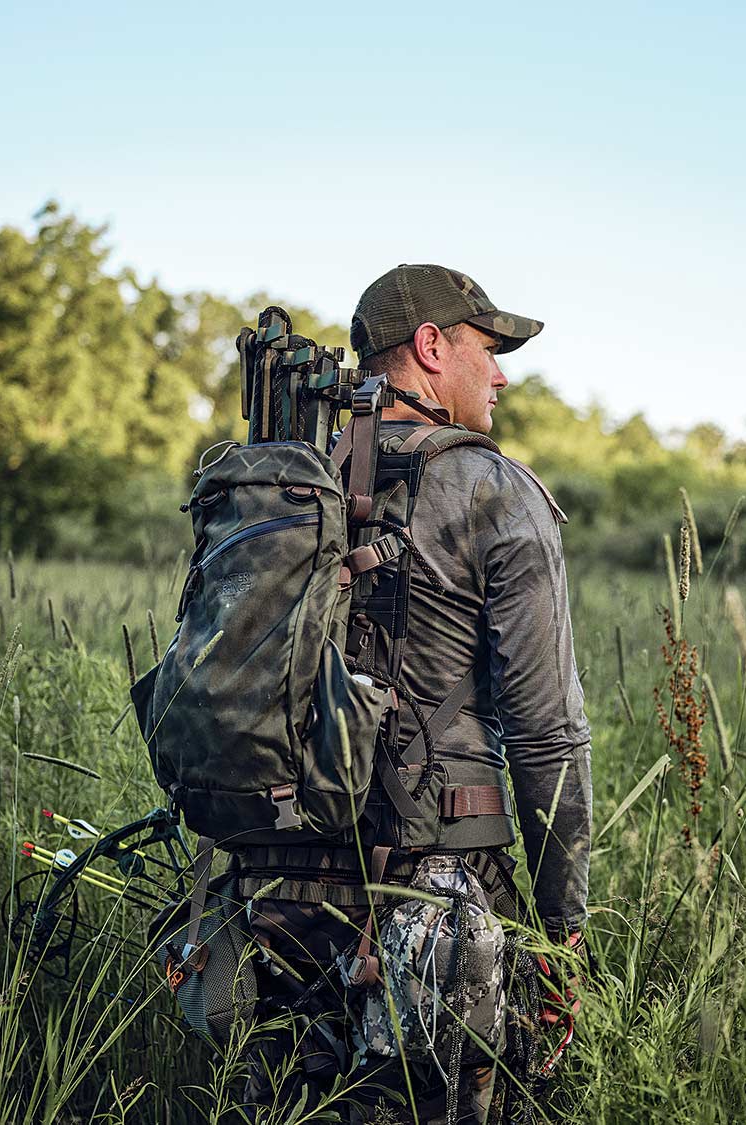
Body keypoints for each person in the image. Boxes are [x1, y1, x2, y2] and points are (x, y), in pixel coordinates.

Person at [235, 264, 592, 1124]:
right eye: (486, 349)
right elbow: (546, 735)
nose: (500, 373)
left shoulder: (285, 487)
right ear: (430, 348)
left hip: (270, 893)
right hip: (434, 894)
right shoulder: (497, 492)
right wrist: (561, 929)